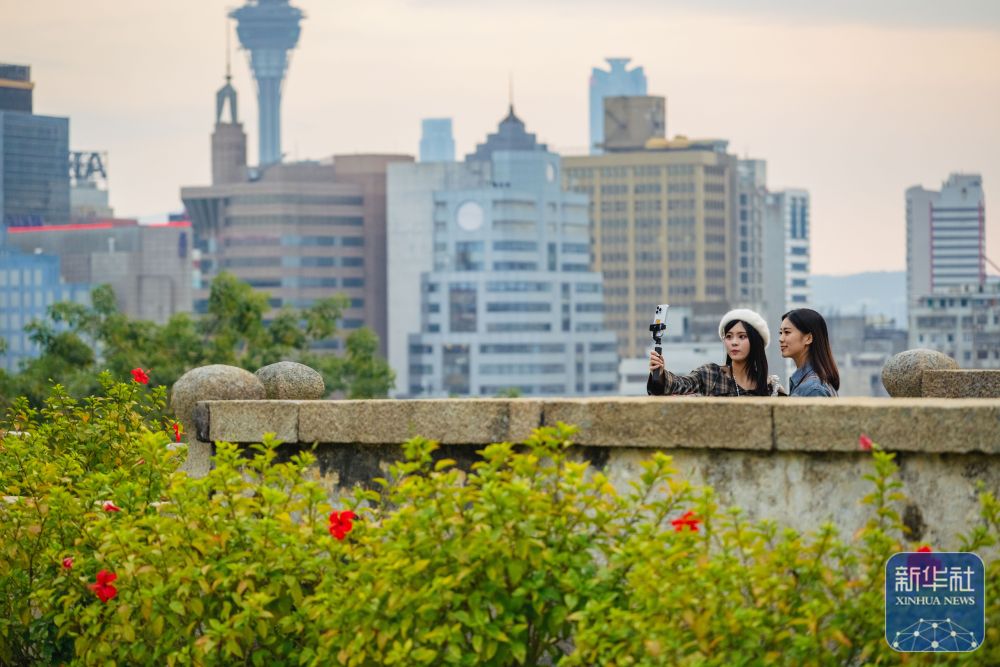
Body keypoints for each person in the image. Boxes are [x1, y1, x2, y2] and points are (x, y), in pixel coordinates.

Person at [647, 308, 786, 397]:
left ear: (756, 342)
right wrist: (659, 374)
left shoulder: (771, 388)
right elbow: (680, 384)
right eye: (729, 336)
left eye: (742, 336)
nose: (734, 342)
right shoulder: (711, 374)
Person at [778, 308, 840, 397]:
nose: (781, 339)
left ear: (808, 338)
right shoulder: (809, 383)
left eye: (787, 332)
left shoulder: (813, 389)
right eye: (780, 333)